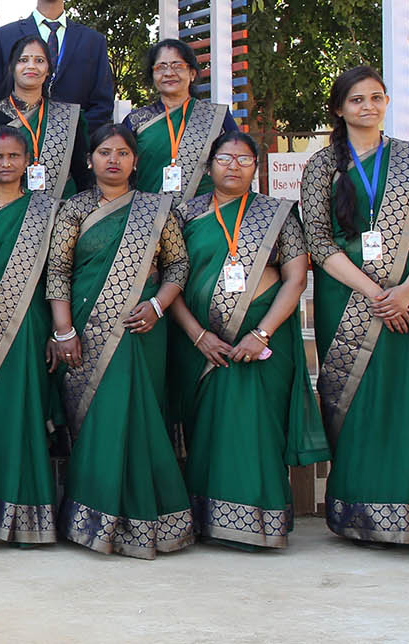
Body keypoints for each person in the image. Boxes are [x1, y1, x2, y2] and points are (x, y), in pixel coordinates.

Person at [300, 66, 409, 550]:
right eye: (357, 99)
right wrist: (374, 292)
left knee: (401, 399)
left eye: (376, 98)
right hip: (345, 296)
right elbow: (318, 241)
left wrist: (404, 291)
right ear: (339, 109)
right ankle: (358, 514)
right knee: (356, 399)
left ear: (386, 102)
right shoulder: (322, 165)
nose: (368, 106)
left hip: (408, 297)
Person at [165, 131, 328, 550]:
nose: (233, 166)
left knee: (257, 428)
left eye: (243, 159)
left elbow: (296, 278)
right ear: (209, 166)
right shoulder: (185, 214)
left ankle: (262, 522)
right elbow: (171, 281)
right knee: (209, 431)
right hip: (202, 346)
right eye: (224, 158)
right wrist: (197, 335)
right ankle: (211, 520)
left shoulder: (278, 214)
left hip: (265, 343)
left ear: (256, 167)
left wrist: (261, 333)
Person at [45, 124, 195, 559]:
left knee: (140, 418)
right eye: (105, 152)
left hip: (142, 329)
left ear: (135, 161)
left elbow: (178, 265)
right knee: (99, 421)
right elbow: (58, 271)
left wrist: (159, 306)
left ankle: (151, 520)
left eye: (123, 153)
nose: (114, 160)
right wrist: (63, 330)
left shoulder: (157, 208)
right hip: (85, 331)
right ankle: (94, 521)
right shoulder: (73, 209)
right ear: (89, 159)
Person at [0, 126, 62, 546]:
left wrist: (57, 329)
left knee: (22, 410)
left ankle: (27, 515)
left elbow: (58, 272)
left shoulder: (46, 210)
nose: (6, 163)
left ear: (27, 162)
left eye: (14, 156)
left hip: (27, 321)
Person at [0, 35, 89, 197]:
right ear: (11, 67)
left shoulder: (67, 118)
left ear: (48, 70)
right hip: (3, 209)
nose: (31, 66)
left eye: (39, 61)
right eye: (23, 60)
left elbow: (82, 174)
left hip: (62, 209)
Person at [124, 39, 240, 198]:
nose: (169, 73)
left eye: (177, 66)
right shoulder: (136, 121)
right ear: (152, 75)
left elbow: (239, 162)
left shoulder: (216, 117)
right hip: (149, 210)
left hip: (205, 210)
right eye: (161, 67)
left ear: (192, 74)